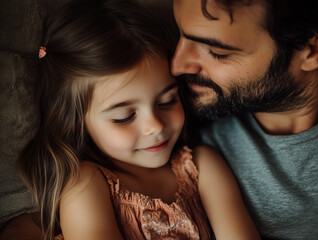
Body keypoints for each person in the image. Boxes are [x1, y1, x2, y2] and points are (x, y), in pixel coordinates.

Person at [15, 0, 260, 239]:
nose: (155, 125)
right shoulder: (86, 184)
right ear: (78, 122)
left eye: (167, 101)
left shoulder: (202, 166)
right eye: (124, 117)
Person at [171, 0, 318, 239]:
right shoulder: (175, 119)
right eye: (178, 33)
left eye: (218, 52)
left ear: (317, 48)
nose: (176, 66)